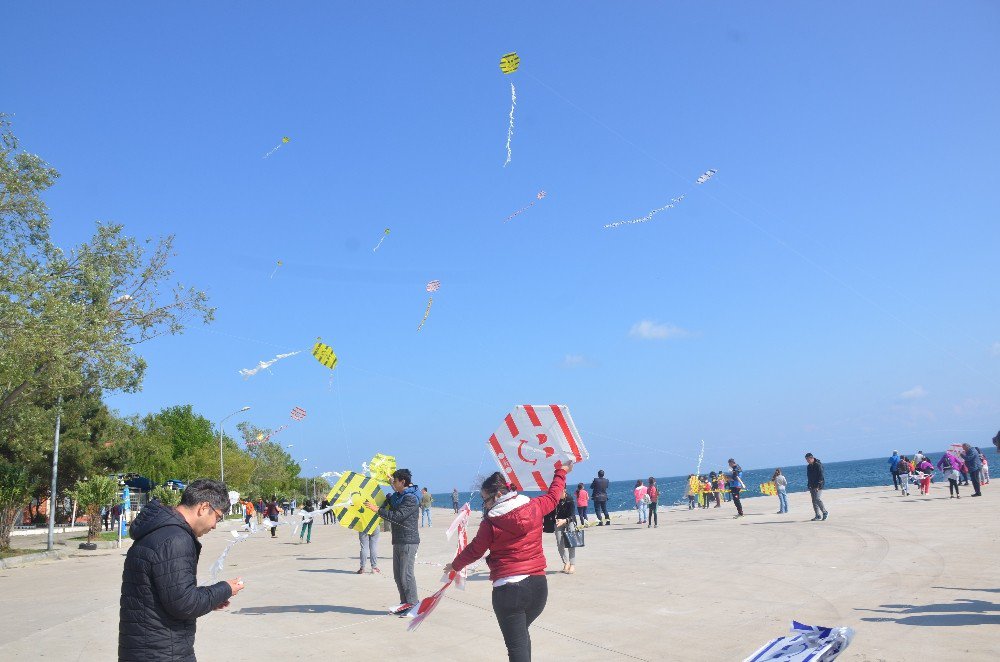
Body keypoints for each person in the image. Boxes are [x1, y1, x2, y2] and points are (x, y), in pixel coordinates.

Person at [445, 461, 571, 662]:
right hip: (538, 588)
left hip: (509, 592)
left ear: (497, 495)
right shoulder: (534, 506)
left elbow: (476, 549)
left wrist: (455, 565)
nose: (484, 505)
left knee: (516, 647)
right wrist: (561, 472)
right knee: (521, 639)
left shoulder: (491, 522)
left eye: (485, 500)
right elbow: (554, 496)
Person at [119, 479, 245, 661]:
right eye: (217, 517)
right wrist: (225, 588)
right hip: (163, 651)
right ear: (203, 507)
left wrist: (211, 600)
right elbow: (184, 604)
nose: (215, 525)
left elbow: (169, 593)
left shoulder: (158, 531)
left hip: (143, 648)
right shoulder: (176, 539)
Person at [365, 468, 420, 615]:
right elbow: (397, 494)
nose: (393, 484)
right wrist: (390, 479)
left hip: (409, 541)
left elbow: (397, 516)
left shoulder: (411, 498)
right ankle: (405, 603)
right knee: (397, 575)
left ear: (403, 482)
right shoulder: (401, 494)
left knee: (406, 574)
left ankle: (414, 605)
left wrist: (377, 510)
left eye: (395, 481)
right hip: (398, 540)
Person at [543, 487, 577, 574]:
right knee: (559, 543)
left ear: (564, 490)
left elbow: (573, 516)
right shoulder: (555, 500)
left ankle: (572, 564)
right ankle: (566, 563)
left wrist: (564, 521)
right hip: (558, 522)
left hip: (568, 521)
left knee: (571, 543)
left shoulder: (570, 499)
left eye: (560, 491)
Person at [805, 453, 828, 521]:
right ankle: (817, 515)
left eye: (808, 459)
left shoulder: (818, 465)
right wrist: (808, 485)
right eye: (806, 459)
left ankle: (824, 512)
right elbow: (809, 477)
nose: (807, 461)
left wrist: (818, 486)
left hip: (819, 485)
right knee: (814, 500)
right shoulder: (808, 466)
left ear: (812, 458)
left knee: (817, 499)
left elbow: (821, 476)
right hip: (812, 485)